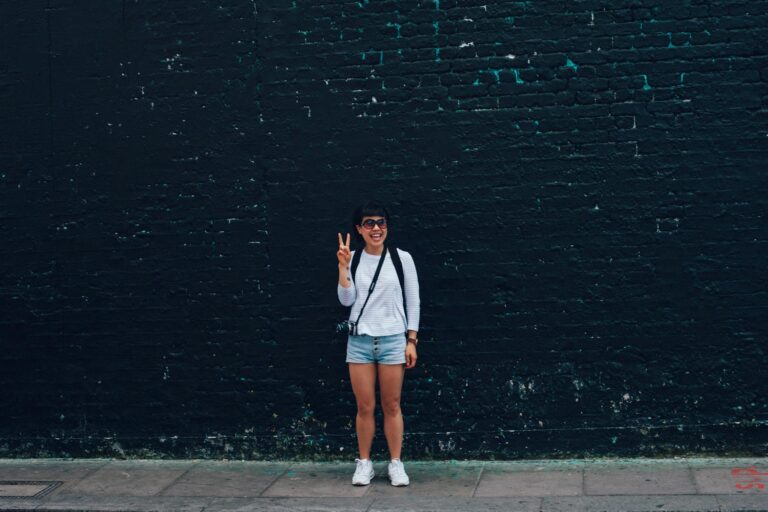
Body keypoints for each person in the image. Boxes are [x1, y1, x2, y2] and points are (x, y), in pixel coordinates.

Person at [336, 201, 420, 487]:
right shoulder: (355, 259)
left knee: (392, 404)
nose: (376, 228)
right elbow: (346, 301)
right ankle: (365, 463)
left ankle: (395, 463)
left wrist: (411, 340)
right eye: (369, 223)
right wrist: (343, 267)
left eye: (381, 222)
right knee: (364, 406)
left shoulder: (401, 258)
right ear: (359, 229)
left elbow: (414, 300)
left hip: (393, 339)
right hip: (359, 341)